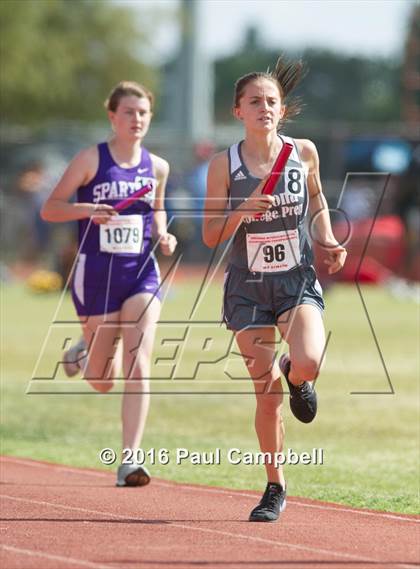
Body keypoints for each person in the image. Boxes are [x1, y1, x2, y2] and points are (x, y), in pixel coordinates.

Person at [202, 58, 346, 522]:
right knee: (266, 396)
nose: (264, 108)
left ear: (282, 110)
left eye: (271, 101)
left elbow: (319, 199)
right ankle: (274, 486)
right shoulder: (223, 165)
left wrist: (326, 238)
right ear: (237, 111)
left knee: (309, 361)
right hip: (248, 288)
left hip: (295, 279)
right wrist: (242, 209)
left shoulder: (303, 152)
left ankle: (296, 373)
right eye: (254, 102)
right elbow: (209, 235)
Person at [41, 81, 177, 487]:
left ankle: (130, 461)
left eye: (143, 113)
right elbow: (51, 208)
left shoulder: (158, 167)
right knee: (103, 380)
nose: (137, 119)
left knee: (139, 361)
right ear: (112, 117)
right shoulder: (90, 160)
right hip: (96, 276)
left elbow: (157, 211)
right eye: (129, 112)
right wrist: (87, 210)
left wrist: (163, 234)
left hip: (140, 272)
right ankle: (82, 351)